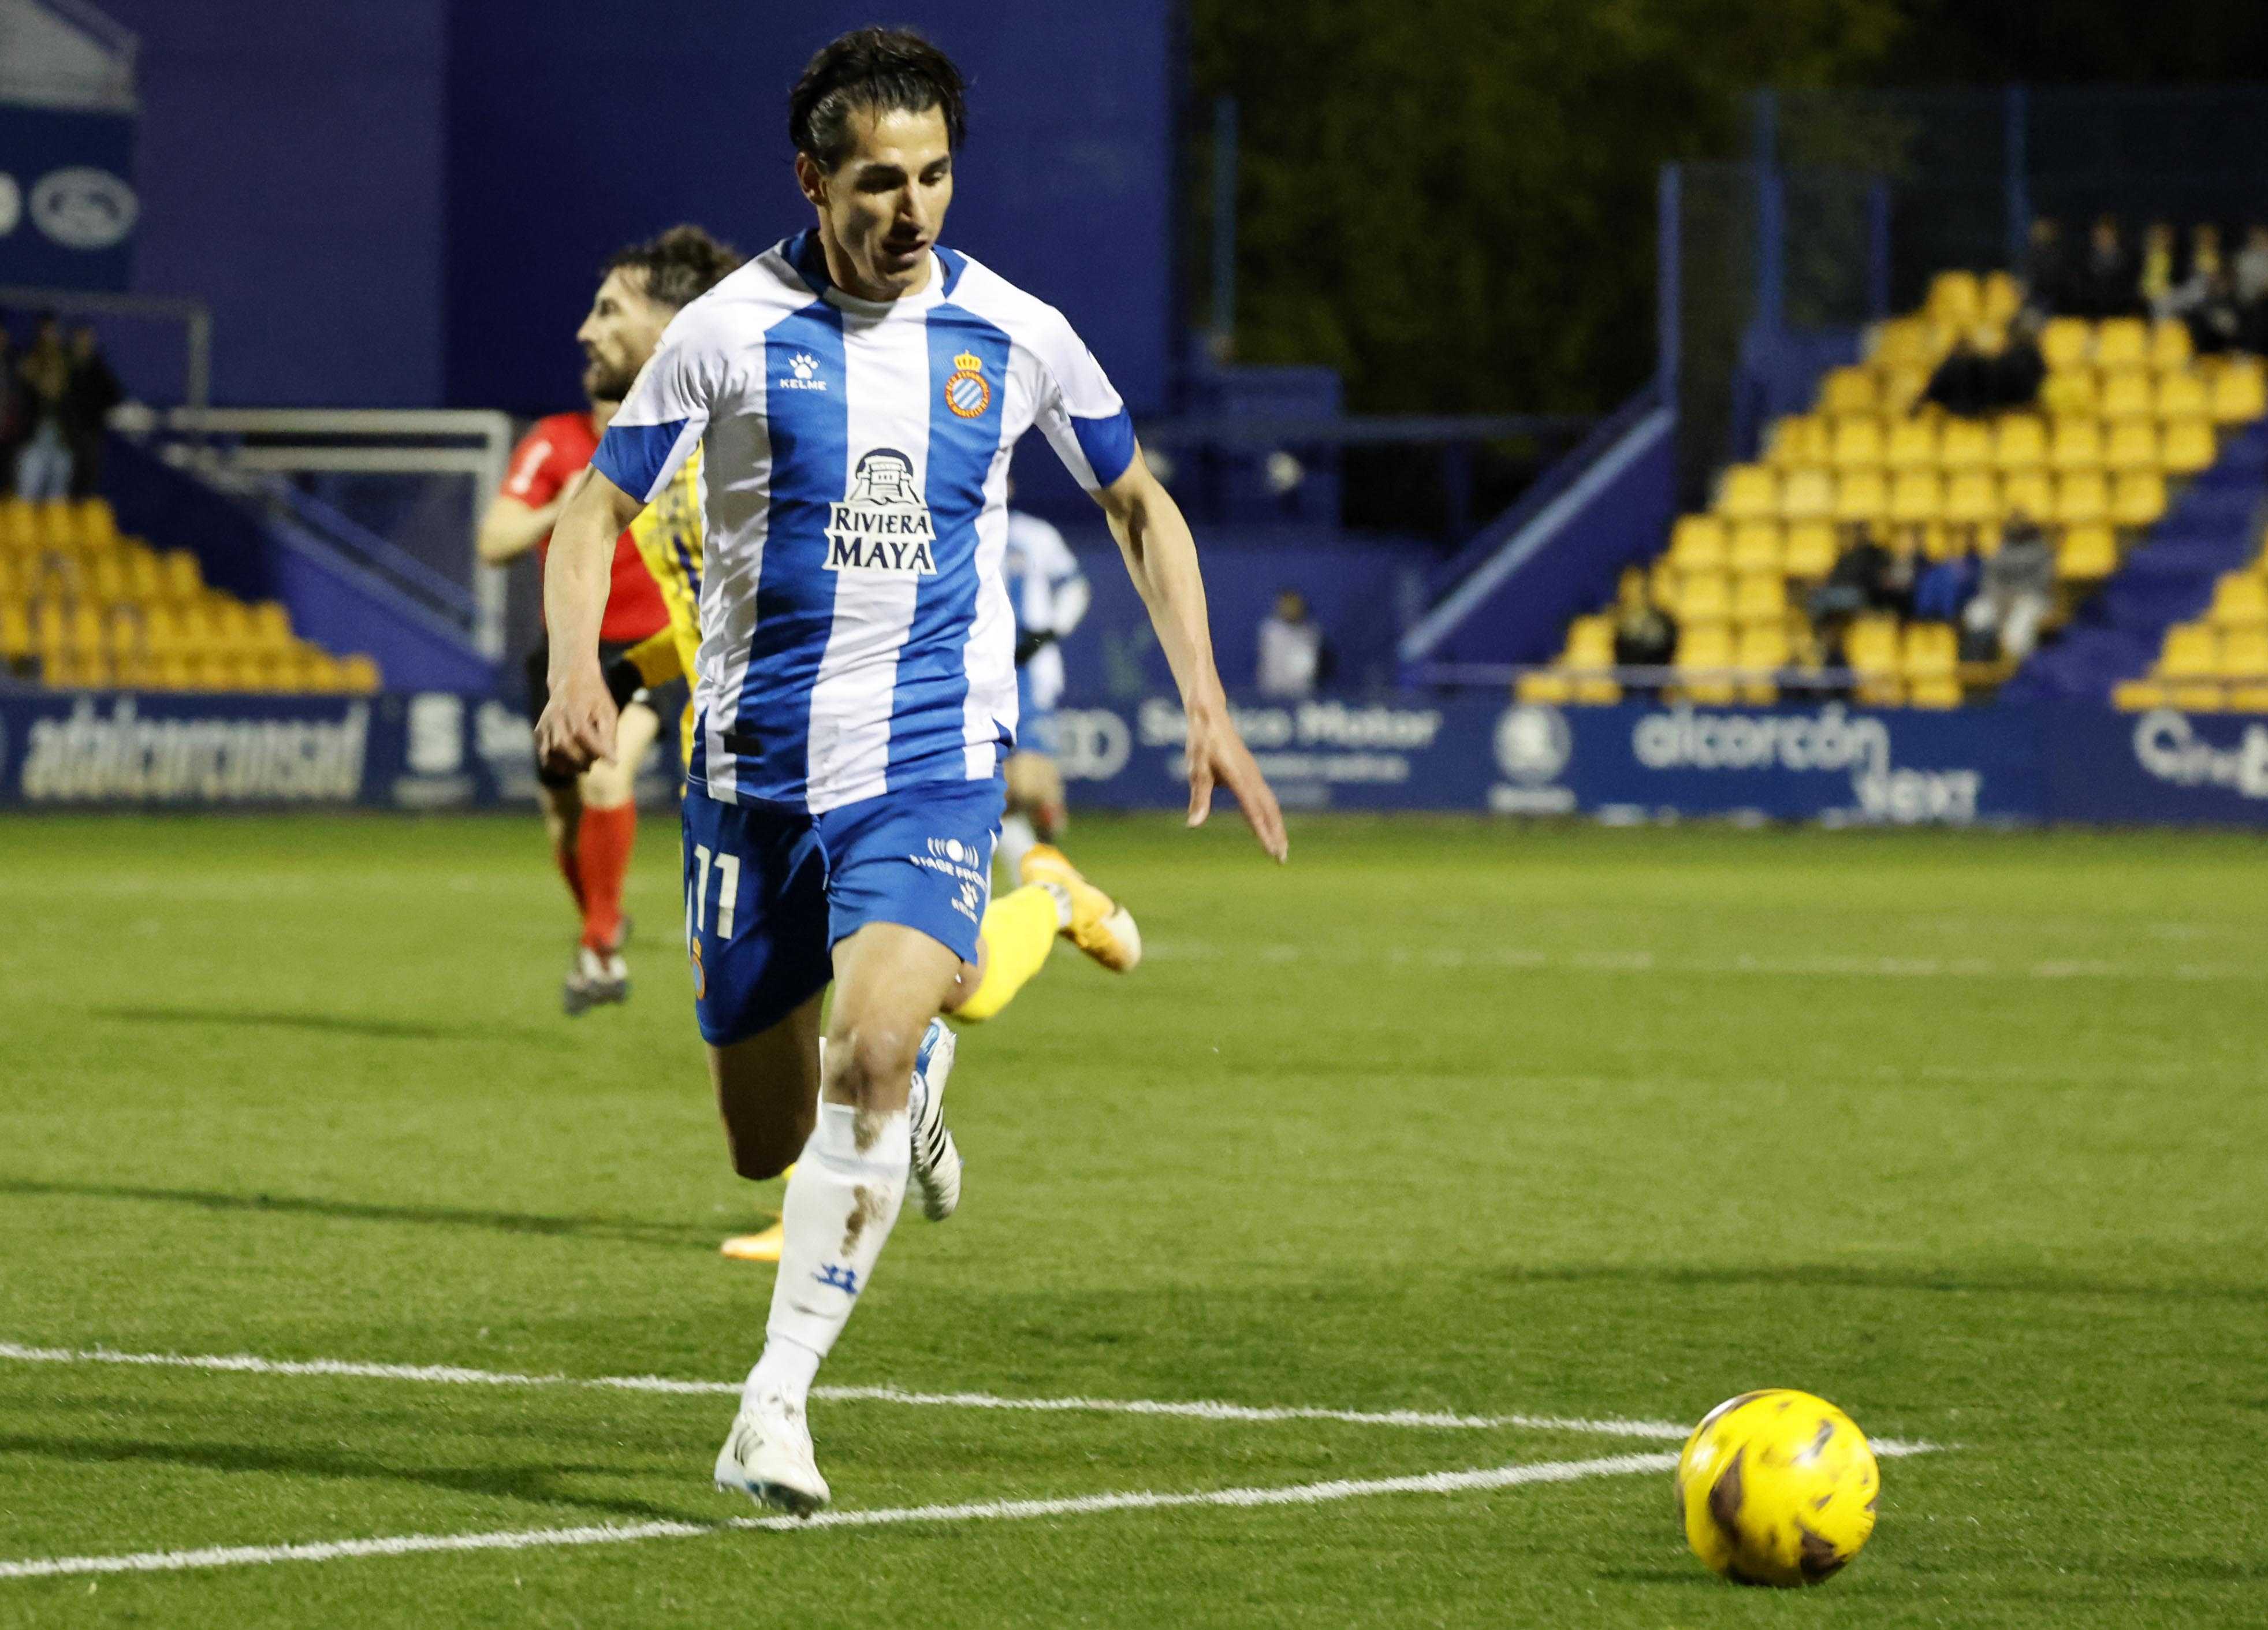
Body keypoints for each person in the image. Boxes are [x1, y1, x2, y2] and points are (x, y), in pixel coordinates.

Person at [535, 27, 1286, 1516]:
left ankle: (774, 1403)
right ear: (811, 180)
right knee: (763, 1143)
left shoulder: (1013, 331)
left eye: (935, 176)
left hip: (931, 764)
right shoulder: (729, 333)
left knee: (864, 1054)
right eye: (880, 180)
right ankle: (918, 1078)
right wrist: (572, 671)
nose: (913, 209)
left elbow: (1138, 503)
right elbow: (587, 515)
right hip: (751, 777)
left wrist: (1205, 694)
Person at [586, 225, 1115, 1266]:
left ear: (679, 320)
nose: (587, 329)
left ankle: (833, 1187)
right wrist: (626, 673)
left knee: (894, 998)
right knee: (890, 1015)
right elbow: (710, 610)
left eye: (611, 309)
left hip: (874, 752)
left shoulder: (759, 422)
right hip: (738, 763)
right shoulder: (661, 449)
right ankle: (1046, 906)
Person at [476, 319, 676, 1014]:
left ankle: (599, 950)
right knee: (562, 815)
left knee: (606, 776)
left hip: (651, 651)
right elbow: (493, 540)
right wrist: (560, 511)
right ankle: (603, 925)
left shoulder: (679, 441)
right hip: (568, 650)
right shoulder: (554, 442)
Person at [994, 502, 1090, 883]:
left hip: (1031, 672)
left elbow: (1075, 585)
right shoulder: (958, 521)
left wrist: (1050, 632)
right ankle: (1037, 876)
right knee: (995, 787)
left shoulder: (1036, 534)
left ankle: (1044, 868)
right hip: (980, 669)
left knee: (1030, 786)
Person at [1962, 509, 2055, 662]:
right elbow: (1989, 580)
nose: (2017, 528)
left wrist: (2014, 598)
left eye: (2021, 525)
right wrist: (2001, 598)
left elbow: (2041, 585)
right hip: (1998, 599)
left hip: (2029, 600)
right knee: (1975, 616)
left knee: (2015, 637)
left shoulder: (2042, 551)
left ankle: (2023, 671)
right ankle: (1979, 664)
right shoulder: (2000, 550)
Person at [59, 326, 122, 500]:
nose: (84, 344)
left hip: (90, 431)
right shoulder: (65, 366)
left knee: (88, 466)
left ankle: (82, 505)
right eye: (80, 340)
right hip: (65, 431)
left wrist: (96, 411)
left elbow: (115, 395)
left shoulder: (98, 368)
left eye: (87, 340)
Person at [13, 315, 72, 501]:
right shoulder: (28, 360)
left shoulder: (66, 361)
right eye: (45, 331)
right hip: (32, 434)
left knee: (57, 493)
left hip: (61, 434)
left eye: (52, 331)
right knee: (27, 488)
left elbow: (57, 391)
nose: (49, 336)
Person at [1608, 565, 1676, 694]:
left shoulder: (1664, 621)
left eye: (1638, 590)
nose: (1631, 594)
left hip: (1657, 689)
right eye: (1627, 589)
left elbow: (1667, 651)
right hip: (1626, 689)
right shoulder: (1614, 621)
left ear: (1647, 591)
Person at [1256, 587, 1329, 697]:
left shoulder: (1311, 633)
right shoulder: (1270, 632)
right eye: (1286, 605)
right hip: (1272, 694)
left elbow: (1307, 671)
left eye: (1294, 605)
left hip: (1303, 695)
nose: (1290, 609)